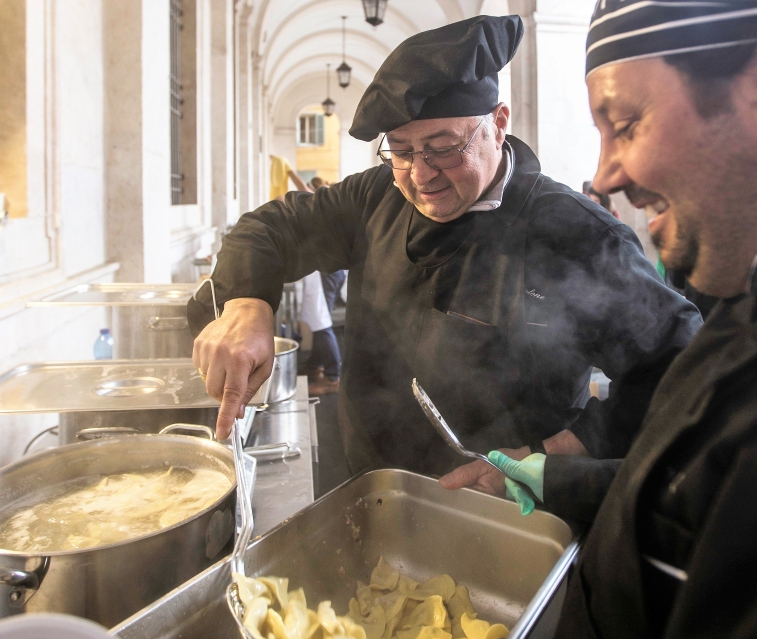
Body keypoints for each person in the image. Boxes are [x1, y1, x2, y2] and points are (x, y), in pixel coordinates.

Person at [490, 1, 757, 639]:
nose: (604, 173)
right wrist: (556, 480)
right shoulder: (755, 283)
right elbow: (697, 494)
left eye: (624, 124)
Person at [188, 15, 701, 481]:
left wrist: (546, 456)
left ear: (498, 123)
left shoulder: (577, 234)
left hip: (505, 509)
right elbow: (269, 228)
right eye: (402, 150)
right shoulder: (374, 196)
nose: (420, 174)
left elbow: (678, 373)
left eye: (442, 148)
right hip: (372, 488)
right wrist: (247, 303)